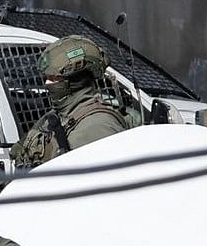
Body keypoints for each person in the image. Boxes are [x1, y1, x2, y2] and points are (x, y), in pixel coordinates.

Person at [9, 35, 134, 169]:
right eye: (47, 78)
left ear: (74, 82)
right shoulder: (56, 116)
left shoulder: (98, 127)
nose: (47, 83)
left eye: (54, 78)